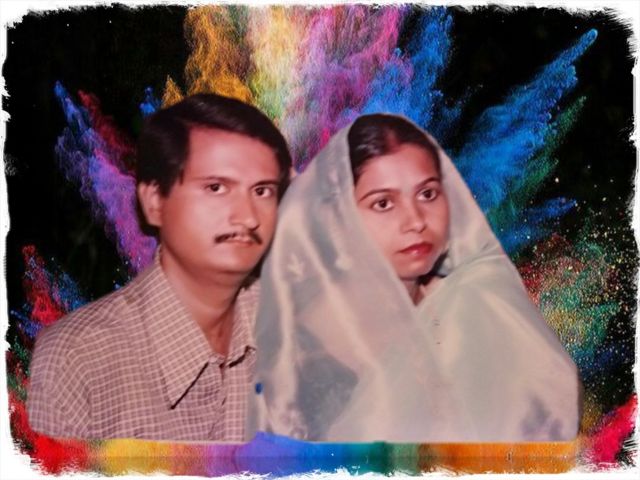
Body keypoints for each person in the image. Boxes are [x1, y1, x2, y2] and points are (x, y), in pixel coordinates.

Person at [249, 114, 581, 442]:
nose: (416, 220)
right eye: (383, 203)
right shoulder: (283, 346)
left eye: (427, 194)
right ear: (336, 221)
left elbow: (549, 410)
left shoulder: (474, 307)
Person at [27, 93, 292, 441]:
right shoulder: (76, 363)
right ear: (154, 202)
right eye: (216, 187)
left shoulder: (297, 330)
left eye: (262, 191)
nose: (247, 216)